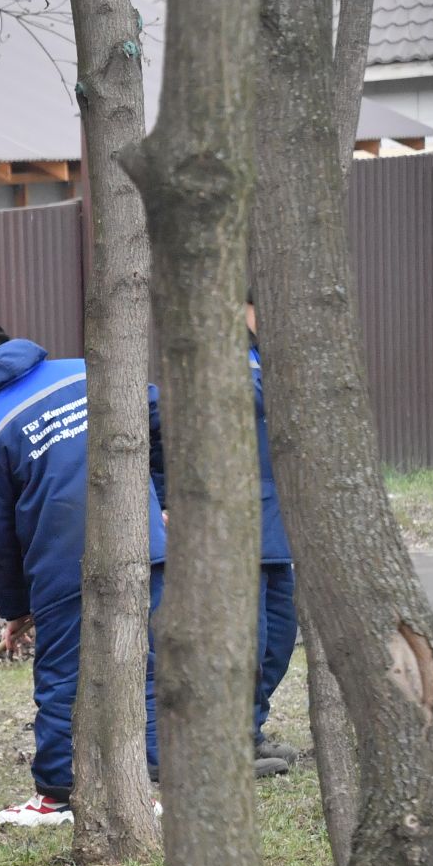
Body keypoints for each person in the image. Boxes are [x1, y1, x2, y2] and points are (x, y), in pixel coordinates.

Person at [0, 322, 167, 826]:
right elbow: (159, 417)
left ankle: (56, 794)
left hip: (65, 562)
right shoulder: (91, 372)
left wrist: (16, 607)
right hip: (142, 542)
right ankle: (147, 784)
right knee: (144, 665)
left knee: (62, 680)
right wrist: (163, 498)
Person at [148, 291, 295, 777]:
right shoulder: (220, 357)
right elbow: (169, 430)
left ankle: (251, 729)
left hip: (277, 526)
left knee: (277, 636)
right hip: (235, 524)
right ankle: (232, 741)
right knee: (245, 638)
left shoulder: (271, 356)